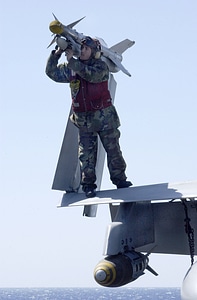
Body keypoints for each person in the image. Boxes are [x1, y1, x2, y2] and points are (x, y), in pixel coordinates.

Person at [45, 36, 132, 198]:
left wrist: (72, 61)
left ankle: (120, 180)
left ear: (93, 51)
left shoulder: (100, 67)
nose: (82, 51)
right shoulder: (72, 68)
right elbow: (51, 73)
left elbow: (90, 75)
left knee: (113, 151)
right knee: (86, 156)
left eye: (85, 49)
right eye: (81, 48)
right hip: (84, 121)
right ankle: (88, 185)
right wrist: (57, 54)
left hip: (105, 119)